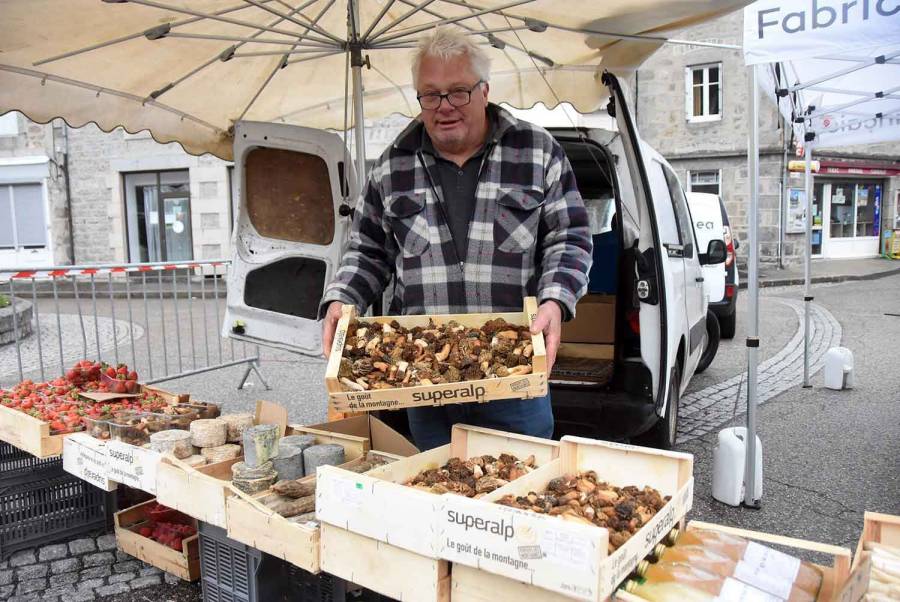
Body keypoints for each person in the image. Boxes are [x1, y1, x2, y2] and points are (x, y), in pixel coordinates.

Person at [320, 27, 592, 450]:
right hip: (425, 385)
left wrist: (555, 300)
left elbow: (570, 236)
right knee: (439, 496)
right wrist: (342, 296)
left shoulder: (538, 151)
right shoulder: (392, 165)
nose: (444, 107)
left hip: (514, 377)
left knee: (519, 499)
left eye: (458, 92)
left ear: (484, 91)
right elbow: (367, 250)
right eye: (431, 95)